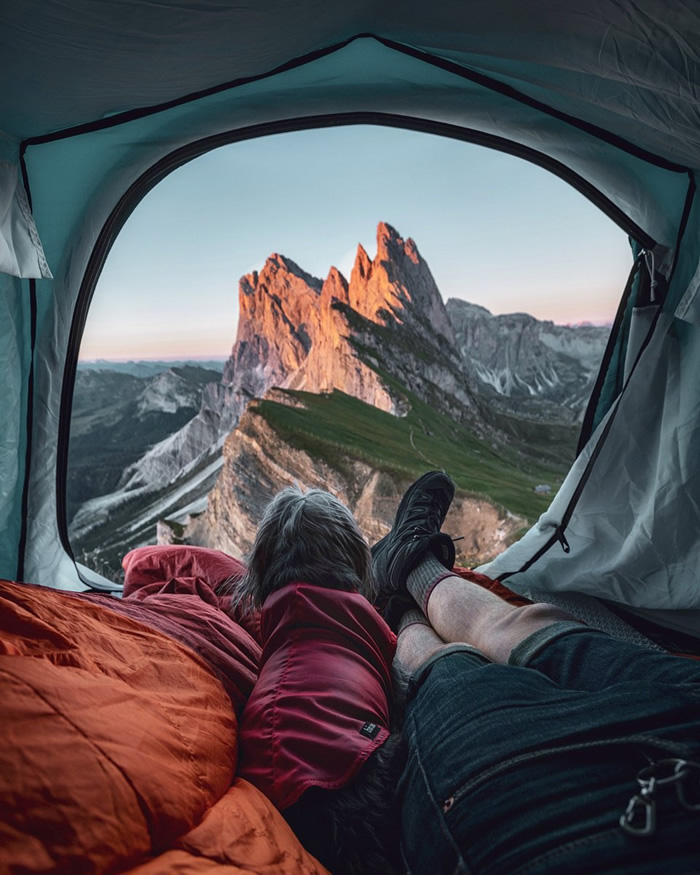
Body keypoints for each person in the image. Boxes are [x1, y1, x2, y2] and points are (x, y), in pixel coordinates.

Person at [234, 474, 700, 874]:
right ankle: (406, 591)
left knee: (546, 651)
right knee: (435, 675)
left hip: (278, 800)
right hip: (370, 790)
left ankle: (411, 583)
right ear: (351, 556)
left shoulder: (274, 635)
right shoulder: (351, 622)